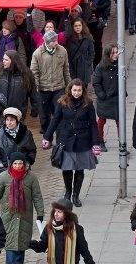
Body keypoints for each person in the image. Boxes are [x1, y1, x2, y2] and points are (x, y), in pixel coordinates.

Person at [41, 79, 100, 208]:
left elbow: (93, 125)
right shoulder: (62, 102)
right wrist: (47, 137)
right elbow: (55, 120)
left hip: (83, 141)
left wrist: (96, 142)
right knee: (67, 169)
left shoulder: (88, 104)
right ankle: (68, 192)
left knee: (79, 170)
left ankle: (76, 195)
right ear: (70, 90)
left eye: (79, 90)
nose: (77, 93)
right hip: (66, 140)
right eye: (74, 90)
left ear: (82, 91)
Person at [0, 151, 44, 264]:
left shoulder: (31, 177)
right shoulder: (4, 177)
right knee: (10, 248)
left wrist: (40, 213)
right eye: (15, 163)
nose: (18, 166)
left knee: (21, 247)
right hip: (8, 218)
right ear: (11, 164)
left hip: (25, 218)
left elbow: (37, 196)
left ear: (24, 164)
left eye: (20, 163)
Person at [29, 30, 71, 140]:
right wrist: (36, 88)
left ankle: (60, 140)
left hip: (59, 88)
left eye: (56, 40)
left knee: (59, 114)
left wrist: (69, 86)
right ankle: (48, 138)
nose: (56, 42)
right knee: (44, 117)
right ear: (47, 42)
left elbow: (66, 70)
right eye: (53, 41)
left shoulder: (62, 51)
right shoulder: (37, 53)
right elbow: (34, 72)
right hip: (43, 89)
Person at [28, 201, 96, 264]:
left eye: (59, 212)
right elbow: (42, 246)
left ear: (67, 214)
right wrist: (30, 243)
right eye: (55, 211)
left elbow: (84, 249)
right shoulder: (49, 227)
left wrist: (90, 262)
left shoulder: (77, 229)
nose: (55, 214)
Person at [91, 44, 121, 153]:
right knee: (101, 120)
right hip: (105, 99)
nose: (116, 55)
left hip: (117, 98)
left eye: (116, 52)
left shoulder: (119, 65)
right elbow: (96, 82)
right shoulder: (100, 67)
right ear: (108, 54)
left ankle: (122, 142)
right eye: (113, 53)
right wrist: (102, 95)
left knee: (119, 121)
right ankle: (100, 141)